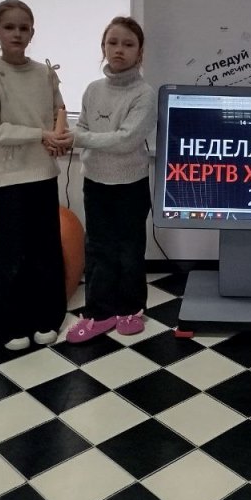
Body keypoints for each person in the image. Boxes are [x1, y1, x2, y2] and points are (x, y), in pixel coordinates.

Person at [0, 0, 71, 351]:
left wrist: (59, 137)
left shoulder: (44, 72)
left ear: (32, 32)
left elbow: (58, 111)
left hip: (43, 173)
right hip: (8, 177)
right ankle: (10, 325)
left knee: (46, 251)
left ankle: (47, 318)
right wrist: (40, 134)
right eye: (9, 27)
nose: (17, 33)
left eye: (24, 27)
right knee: (13, 256)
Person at [65, 17, 156, 342]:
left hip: (131, 185)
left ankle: (131, 309)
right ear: (103, 47)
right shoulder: (93, 90)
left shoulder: (144, 94)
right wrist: (76, 136)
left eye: (128, 44)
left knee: (129, 249)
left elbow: (126, 140)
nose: (119, 50)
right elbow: (84, 127)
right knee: (98, 248)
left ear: (139, 52)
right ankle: (99, 313)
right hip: (96, 182)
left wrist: (78, 138)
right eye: (112, 43)